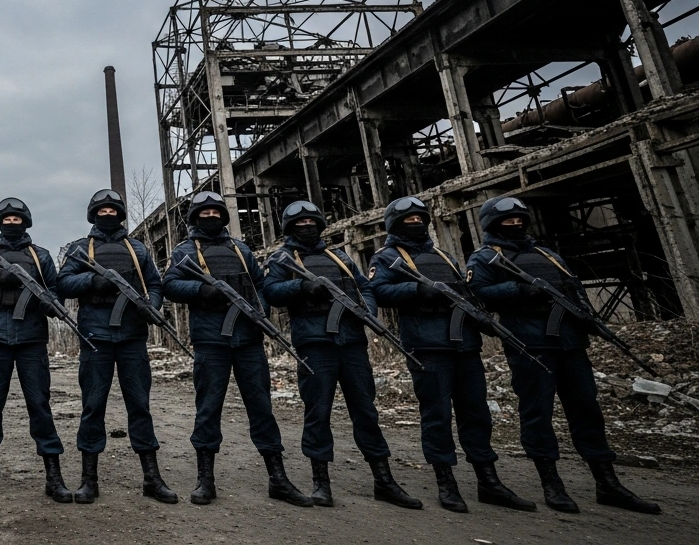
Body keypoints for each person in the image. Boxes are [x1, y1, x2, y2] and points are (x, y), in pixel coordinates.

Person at [466, 196, 660, 514]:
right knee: (538, 415)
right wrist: (519, 290)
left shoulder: (548, 255)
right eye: (507, 221)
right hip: (531, 346)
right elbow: (476, 295)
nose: (515, 224)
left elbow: (575, 289)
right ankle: (551, 484)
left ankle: (607, 483)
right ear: (491, 224)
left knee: (587, 413)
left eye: (519, 220)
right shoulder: (486, 258)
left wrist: (588, 317)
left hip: (571, 346)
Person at [366, 197, 534, 513]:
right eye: (409, 218)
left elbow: (467, 292)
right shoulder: (387, 257)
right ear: (394, 224)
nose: (416, 222)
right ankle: (446, 483)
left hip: (464, 346)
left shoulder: (441, 254)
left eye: (420, 217)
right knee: (437, 415)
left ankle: (488, 481)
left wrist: (480, 317)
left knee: (477, 414)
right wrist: (417, 291)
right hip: (428, 347)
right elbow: (377, 292)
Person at [263, 200, 421, 509]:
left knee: (366, 412)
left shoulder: (339, 256)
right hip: (315, 344)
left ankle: (384, 481)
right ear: (289, 229)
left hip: (352, 344)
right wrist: (301, 286)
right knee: (318, 413)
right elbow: (271, 291)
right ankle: (321, 483)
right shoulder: (283, 259)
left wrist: (368, 313)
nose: (307, 227)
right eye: (300, 224)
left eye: (311, 222)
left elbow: (367, 288)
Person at [162, 191, 311, 507]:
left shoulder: (241, 249)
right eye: (205, 213)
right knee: (209, 409)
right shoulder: (185, 251)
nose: (211, 217)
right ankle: (206, 480)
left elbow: (260, 287)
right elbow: (170, 286)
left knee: (262, 408)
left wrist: (261, 313)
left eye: (216, 212)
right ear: (194, 218)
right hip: (211, 341)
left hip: (248, 341)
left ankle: (279, 479)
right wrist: (203, 290)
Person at [55, 189, 177, 505]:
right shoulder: (82, 249)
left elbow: (154, 283)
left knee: (140, 406)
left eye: (112, 210)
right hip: (95, 337)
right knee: (93, 406)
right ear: (93, 215)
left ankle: (152, 478)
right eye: (102, 210)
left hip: (133, 337)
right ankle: (88, 481)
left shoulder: (136, 248)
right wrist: (93, 282)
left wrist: (153, 304)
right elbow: (63, 284)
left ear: (120, 214)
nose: (107, 214)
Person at [0, 198, 71, 503]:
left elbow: (57, 291)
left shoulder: (41, 255)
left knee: (40, 407)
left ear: (26, 221)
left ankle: (53, 477)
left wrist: (49, 302)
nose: (11, 223)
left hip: (32, 341)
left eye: (16, 218)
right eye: (6, 219)